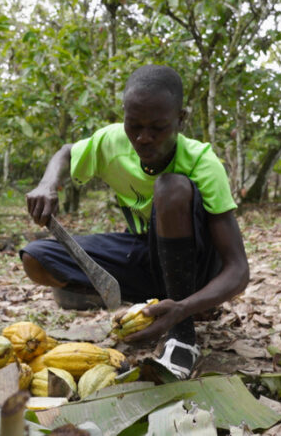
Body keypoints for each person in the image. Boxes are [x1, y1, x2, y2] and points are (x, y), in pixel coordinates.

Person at [20, 64, 249, 379]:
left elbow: (238, 270)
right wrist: (47, 184)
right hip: (149, 256)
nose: (143, 138)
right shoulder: (113, 142)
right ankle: (148, 307)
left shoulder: (202, 162)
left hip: (196, 267)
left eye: (158, 127)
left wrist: (185, 308)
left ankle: (182, 335)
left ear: (181, 119)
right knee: (37, 259)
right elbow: (66, 152)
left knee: (170, 187)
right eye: (134, 126)